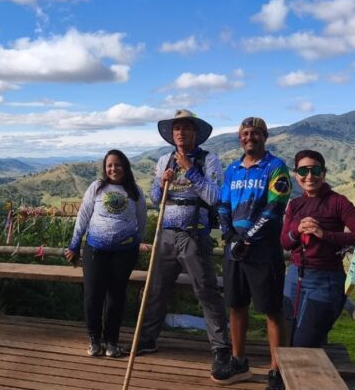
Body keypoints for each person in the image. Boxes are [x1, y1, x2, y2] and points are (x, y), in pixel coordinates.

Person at [137, 109, 231, 381]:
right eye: (176, 128)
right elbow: (156, 198)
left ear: (195, 133)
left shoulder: (208, 159)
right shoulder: (164, 159)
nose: (180, 132)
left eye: (185, 128)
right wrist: (161, 182)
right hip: (166, 233)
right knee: (156, 289)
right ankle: (148, 338)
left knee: (206, 290)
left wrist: (191, 172)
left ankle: (221, 348)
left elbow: (214, 197)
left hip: (195, 234)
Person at [216, 117, 291, 389]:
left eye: (256, 133)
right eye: (245, 133)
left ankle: (277, 370)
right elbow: (223, 205)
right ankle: (238, 361)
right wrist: (229, 236)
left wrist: (247, 237)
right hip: (234, 250)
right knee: (236, 305)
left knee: (272, 310)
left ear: (265, 136)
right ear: (239, 138)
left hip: (264, 251)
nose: (250, 137)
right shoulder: (233, 169)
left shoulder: (276, 168)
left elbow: (275, 209)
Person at [281, 149, 355, 347]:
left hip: (325, 280)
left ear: (323, 173)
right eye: (303, 171)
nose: (309, 176)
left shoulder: (337, 202)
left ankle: (305, 377)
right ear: (296, 174)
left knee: (304, 343)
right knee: (287, 337)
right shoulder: (295, 204)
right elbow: (285, 243)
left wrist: (325, 235)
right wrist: (297, 231)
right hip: (294, 277)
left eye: (315, 170)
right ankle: (282, 377)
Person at [65, 149, 147, 358]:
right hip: (95, 251)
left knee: (116, 297)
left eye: (118, 164)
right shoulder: (96, 188)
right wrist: (74, 245)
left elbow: (142, 221)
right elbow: (83, 216)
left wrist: (135, 242)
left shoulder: (135, 192)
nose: (113, 169)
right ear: (105, 168)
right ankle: (94, 339)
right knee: (93, 295)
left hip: (124, 253)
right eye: (109, 165)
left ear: (125, 167)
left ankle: (111, 341)